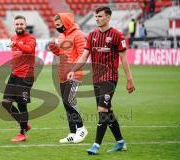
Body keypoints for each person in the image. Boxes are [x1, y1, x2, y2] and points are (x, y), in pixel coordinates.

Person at [67, 7, 135, 155]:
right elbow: (84, 56)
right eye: (96, 16)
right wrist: (73, 69)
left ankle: (96, 145)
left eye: (100, 16)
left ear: (108, 17)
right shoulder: (92, 35)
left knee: (102, 110)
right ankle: (120, 142)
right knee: (108, 111)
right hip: (96, 79)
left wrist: (129, 79)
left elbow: (123, 59)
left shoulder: (117, 36)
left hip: (109, 78)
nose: (97, 18)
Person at [48, 13, 88, 143]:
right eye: (56, 25)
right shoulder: (61, 36)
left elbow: (83, 55)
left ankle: (81, 128)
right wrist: (54, 49)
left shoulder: (78, 35)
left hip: (74, 74)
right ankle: (72, 132)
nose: (57, 28)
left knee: (68, 101)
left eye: (59, 25)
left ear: (65, 22)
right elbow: (61, 54)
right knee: (66, 103)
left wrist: (73, 70)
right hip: (63, 74)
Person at [2, 15, 36, 142]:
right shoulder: (13, 38)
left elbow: (29, 49)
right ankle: (25, 124)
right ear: (14, 25)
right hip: (14, 75)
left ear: (25, 25)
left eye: (21, 24)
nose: (19, 26)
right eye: (17, 24)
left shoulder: (30, 38)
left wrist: (16, 44)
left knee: (22, 105)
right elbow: (17, 55)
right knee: (5, 103)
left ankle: (22, 133)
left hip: (26, 76)